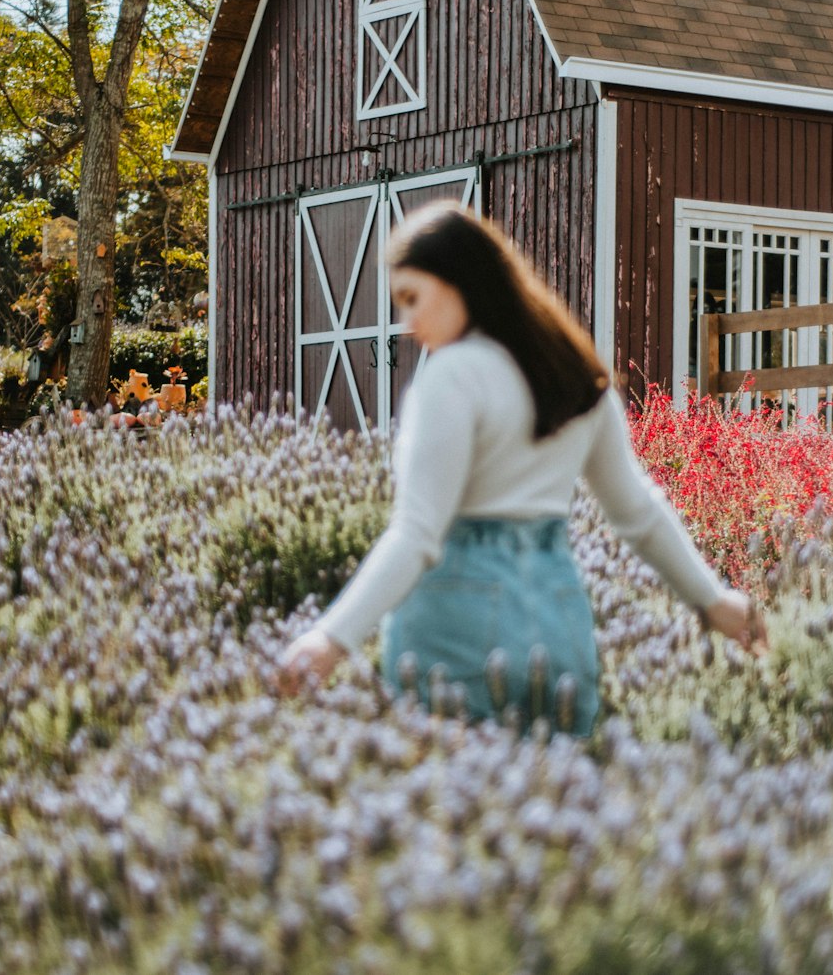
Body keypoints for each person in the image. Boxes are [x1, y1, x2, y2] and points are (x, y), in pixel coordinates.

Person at [280, 202, 767, 732]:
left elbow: (419, 533)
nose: (408, 323)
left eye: (413, 298)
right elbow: (637, 512)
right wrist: (713, 599)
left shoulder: (453, 375)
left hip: (455, 622)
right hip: (556, 621)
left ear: (462, 282)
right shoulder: (577, 377)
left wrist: (330, 638)